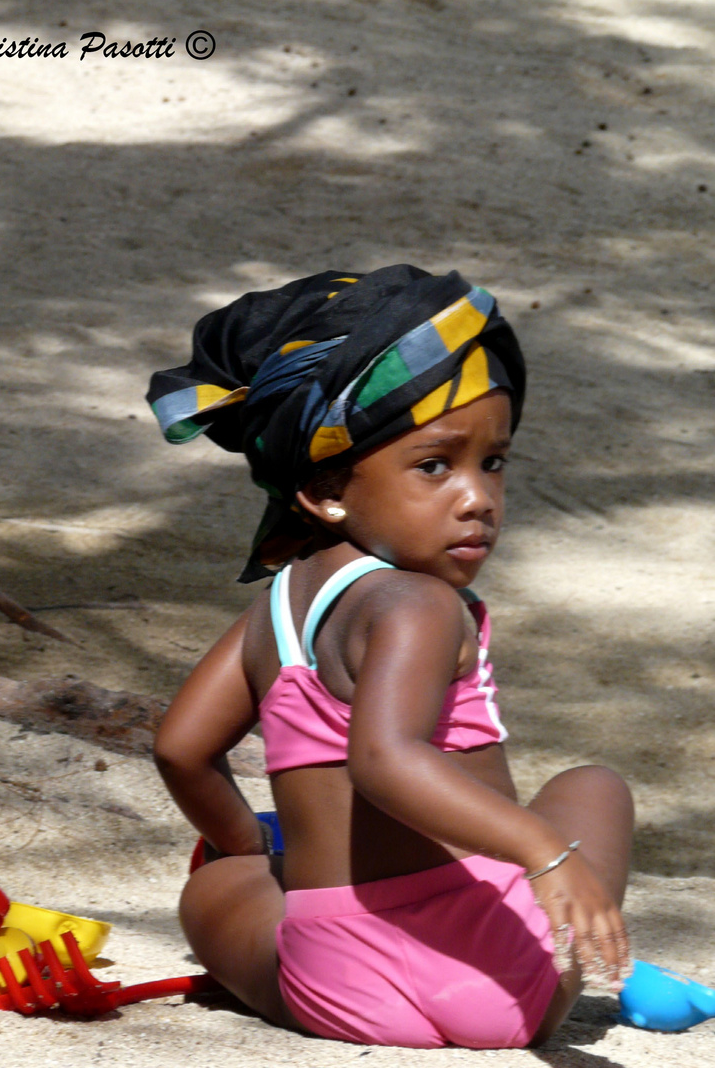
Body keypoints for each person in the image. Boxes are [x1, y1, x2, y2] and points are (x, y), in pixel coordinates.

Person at [146, 265, 634, 1049]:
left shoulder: (275, 609)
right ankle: (574, 949)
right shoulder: (419, 603)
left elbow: (180, 748)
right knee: (592, 787)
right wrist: (544, 853)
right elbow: (384, 758)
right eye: (434, 466)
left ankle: (274, 903)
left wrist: (249, 849)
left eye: (493, 462)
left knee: (214, 891)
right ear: (327, 489)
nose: (476, 497)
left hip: (335, 982)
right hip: (493, 984)